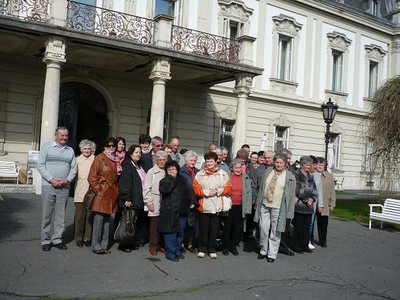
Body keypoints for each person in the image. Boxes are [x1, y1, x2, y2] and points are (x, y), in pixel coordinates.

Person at [37, 127, 77, 251]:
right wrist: (51, 179)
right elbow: (40, 165)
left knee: (61, 215)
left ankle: (57, 239)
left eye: (66, 135)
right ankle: (46, 240)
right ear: (56, 135)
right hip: (49, 185)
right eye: (62, 135)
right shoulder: (47, 147)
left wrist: (67, 180)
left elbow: (74, 168)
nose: (64, 138)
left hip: (64, 187)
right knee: (47, 214)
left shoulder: (70, 150)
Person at [254, 153, 296, 263]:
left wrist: (289, 212)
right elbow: (262, 187)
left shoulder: (290, 177)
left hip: (279, 207)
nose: (278, 165)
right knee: (263, 228)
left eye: (281, 163)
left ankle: (272, 254)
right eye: (277, 162)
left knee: (275, 230)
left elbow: (291, 196)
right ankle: (263, 250)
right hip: (265, 204)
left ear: (285, 163)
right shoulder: (268, 172)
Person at [193, 152, 232, 259]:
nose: (209, 163)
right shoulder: (200, 174)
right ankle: (202, 248)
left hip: (217, 205)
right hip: (204, 205)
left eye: (211, 161)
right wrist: (206, 193)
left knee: (214, 229)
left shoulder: (223, 174)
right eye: (207, 161)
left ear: (216, 162)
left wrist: (218, 191)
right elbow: (196, 189)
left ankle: (211, 248)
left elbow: (229, 188)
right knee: (203, 228)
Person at [159, 160, 197, 262]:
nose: (171, 171)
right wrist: (171, 178)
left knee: (180, 234)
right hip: (170, 212)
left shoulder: (183, 179)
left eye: (173, 169)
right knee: (170, 234)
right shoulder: (165, 181)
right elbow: (165, 190)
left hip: (183, 210)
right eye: (169, 169)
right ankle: (170, 253)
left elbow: (190, 191)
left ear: (177, 169)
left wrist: (192, 201)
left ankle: (177, 251)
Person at [88, 137, 119, 254]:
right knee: (99, 220)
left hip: (111, 192)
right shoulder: (99, 158)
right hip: (102, 193)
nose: (111, 148)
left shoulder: (116, 159)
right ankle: (96, 245)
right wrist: (99, 190)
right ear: (104, 146)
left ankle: (104, 245)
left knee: (107, 221)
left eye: (113, 146)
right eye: (108, 145)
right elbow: (92, 177)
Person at [117, 144, 146, 253]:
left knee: (133, 222)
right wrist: (127, 198)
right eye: (136, 152)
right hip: (130, 199)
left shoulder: (138, 165)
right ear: (130, 153)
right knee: (127, 221)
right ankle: (123, 243)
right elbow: (126, 183)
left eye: (140, 152)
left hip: (138, 199)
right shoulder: (127, 165)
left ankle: (130, 242)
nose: (138, 154)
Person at [221, 158, 252, 256]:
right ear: (232, 168)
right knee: (227, 227)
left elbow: (248, 193)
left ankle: (233, 246)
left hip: (240, 206)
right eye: (236, 168)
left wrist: (247, 208)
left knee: (237, 227)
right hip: (229, 205)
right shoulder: (227, 176)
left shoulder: (245, 177)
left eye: (239, 168)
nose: (238, 170)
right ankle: (225, 246)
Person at [143, 150, 168, 256]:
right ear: (156, 161)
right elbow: (146, 188)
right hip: (155, 199)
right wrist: (149, 202)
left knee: (164, 225)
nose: (162, 162)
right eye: (160, 160)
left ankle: (161, 244)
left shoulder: (168, 171)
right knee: (154, 226)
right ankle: (153, 246)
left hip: (165, 201)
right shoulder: (151, 172)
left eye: (164, 160)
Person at [292, 156, 318, 254]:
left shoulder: (311, 176)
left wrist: (313, 198)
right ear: (302, 165)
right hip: (299, 204)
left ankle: (305, 245)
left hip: (309, 206)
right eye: (306, 165)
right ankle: (297, 246)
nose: (308, 167)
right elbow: (297, 189)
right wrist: (306, 198)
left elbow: (314, 190)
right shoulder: (296, 175)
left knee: (306, 227)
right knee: (299, 226)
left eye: (309, 165)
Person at [73, 139, 95, 248]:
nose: (87, 150)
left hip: (91, 193)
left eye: (89, 148)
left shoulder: (95, 160)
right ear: (81, 149)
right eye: (84, 148)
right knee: (79, 217)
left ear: (92, 149)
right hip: (80, 192)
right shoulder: (77, 160)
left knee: (89, 217)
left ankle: (87, 238)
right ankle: (78, 238)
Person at [179, 150, 200, 253]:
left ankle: (190, 244)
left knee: (192, 225)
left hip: (196, 201)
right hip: (185, 201)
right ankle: (181, 244)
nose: (193, 162)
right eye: (191, 160)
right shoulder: (181, 171)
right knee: (183, 224)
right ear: (186, 160)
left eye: (194, 160)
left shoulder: (198, 171)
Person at [316, 157, 336, 248]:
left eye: (321, 165)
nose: (319, 166)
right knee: (311, 224)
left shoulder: (329, 176)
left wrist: (332, 203)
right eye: (318, 164)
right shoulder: (312, 174)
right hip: (313, 204)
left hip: (324, 204)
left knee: (323, 224)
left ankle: (322, 241)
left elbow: (332, 190)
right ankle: (309, 240)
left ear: (324, 166)